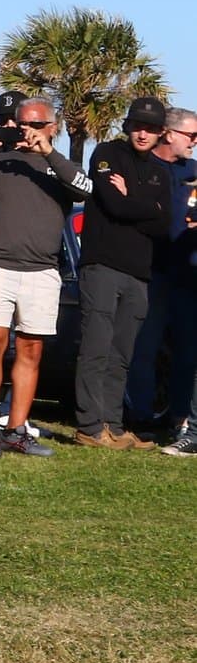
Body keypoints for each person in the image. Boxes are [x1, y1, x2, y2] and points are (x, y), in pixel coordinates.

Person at [0, 97, 93, 460]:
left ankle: (17, 429)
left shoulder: (59, 166)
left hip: (42, 270)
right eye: (20, 123)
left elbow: (85, 190)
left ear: (51, 127)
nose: (24, 130)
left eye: (33, 124)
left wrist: (48, 153)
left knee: (31, 350)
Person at [74, 95, 172, 448]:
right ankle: (89, 425)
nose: (143, 134)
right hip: (102, 266)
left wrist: (134, 199)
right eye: (138, 126)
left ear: (161, 133)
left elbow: (164, 224)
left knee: (122, 355)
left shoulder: (161, 172)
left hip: (138, 273)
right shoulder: (106, 153)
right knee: (96, 348)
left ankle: (113, 426)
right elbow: (114, 205)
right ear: (127, 125)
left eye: (151, 128)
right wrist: (145, 203)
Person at [133, 109, 197, 450]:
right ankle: (140, 418)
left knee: (187, 350)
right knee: (145, 346)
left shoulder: (194, 170)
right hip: (150, 272)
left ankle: (181, 419)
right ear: (170, 134)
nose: (195, 143)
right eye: (192, 136)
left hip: (188, 275)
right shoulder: (144, 166)